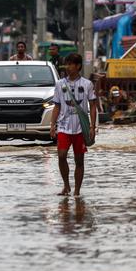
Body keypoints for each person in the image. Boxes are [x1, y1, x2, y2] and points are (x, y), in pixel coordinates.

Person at [49, 54, 99, 197]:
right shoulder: (59, 84)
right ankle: (66, 186)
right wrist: (52, 125)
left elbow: (93, 105)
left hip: (80, 128)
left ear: (78, 66)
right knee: (61, 155)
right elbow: (57, 106)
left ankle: (77, 191)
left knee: (79, 160)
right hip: (64, 126)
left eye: (71, 64)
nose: (68, 67)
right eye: (67, 64)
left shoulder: (87, 84)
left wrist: (92, 127)